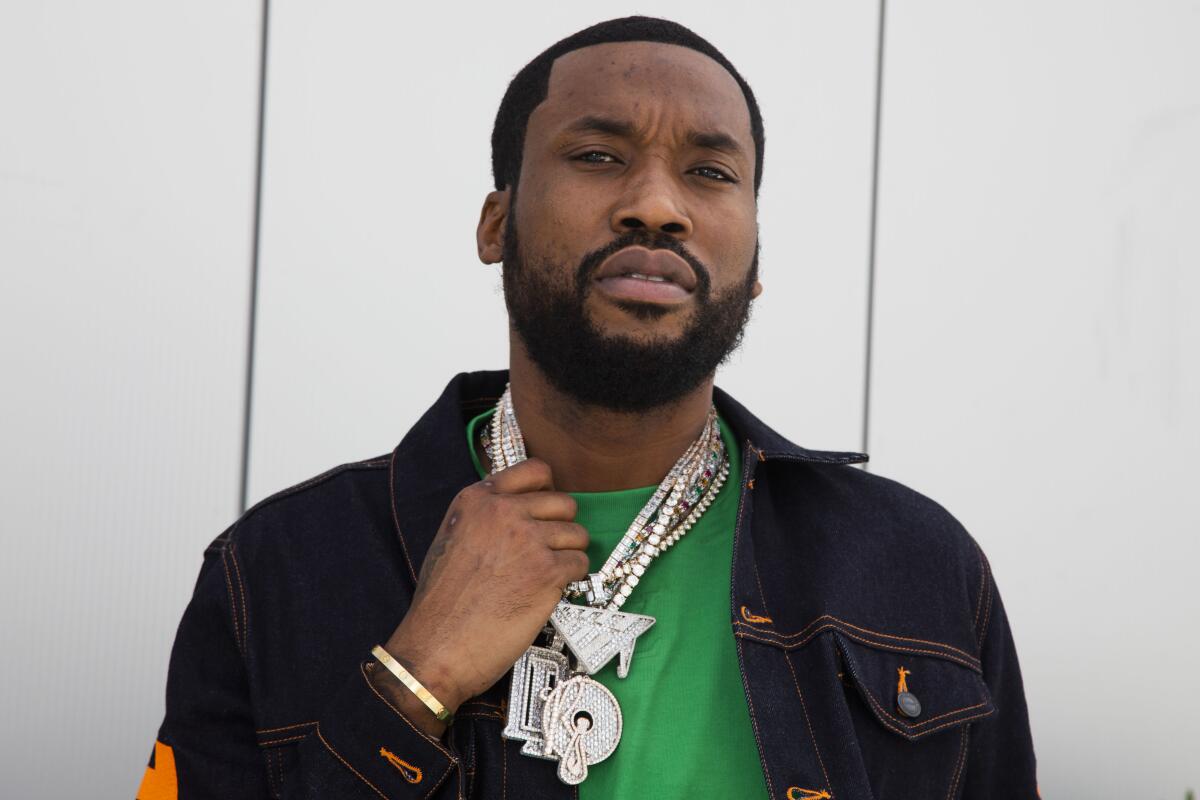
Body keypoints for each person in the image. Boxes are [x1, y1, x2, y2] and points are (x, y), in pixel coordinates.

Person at [139, 16, 1037, 799]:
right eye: (598, 156)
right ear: (497, 224)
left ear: (755, 257)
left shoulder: (919, 570)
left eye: (711, 172)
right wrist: (415, 678)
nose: (656, 205)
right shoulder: (275, 573)